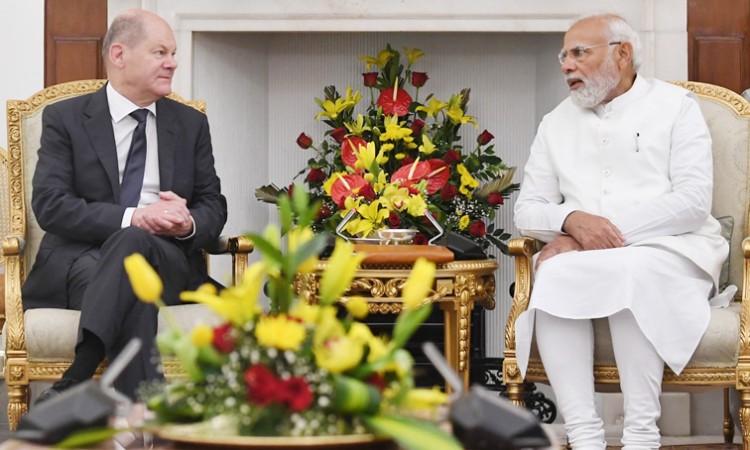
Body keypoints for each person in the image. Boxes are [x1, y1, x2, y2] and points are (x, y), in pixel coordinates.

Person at [513, 13, 728, 450]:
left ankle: (641, 436)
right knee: (551, 273)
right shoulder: (555, 122)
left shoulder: (675, 106)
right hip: (591, 257)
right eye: (563, 55)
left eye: (579, 53)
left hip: (675, 249)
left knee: (630, 267)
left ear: (622, 54)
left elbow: (691, 203)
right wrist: (572, 223)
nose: (566, 65)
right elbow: (527, 209)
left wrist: (597, 236)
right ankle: (585, 435)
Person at [22, 9, 228, 402]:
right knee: (133, 270)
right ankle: (144, 425)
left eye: (173, 52)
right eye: (160, 52)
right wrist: (135, 217)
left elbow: (213, 206)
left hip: (166, 261)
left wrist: (185, 224)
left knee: (134, 246)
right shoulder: (65, 119)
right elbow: (50, 205)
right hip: (82, 263)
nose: (172, 62)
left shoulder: (189, 124)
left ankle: (80, 374)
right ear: (119, 55)